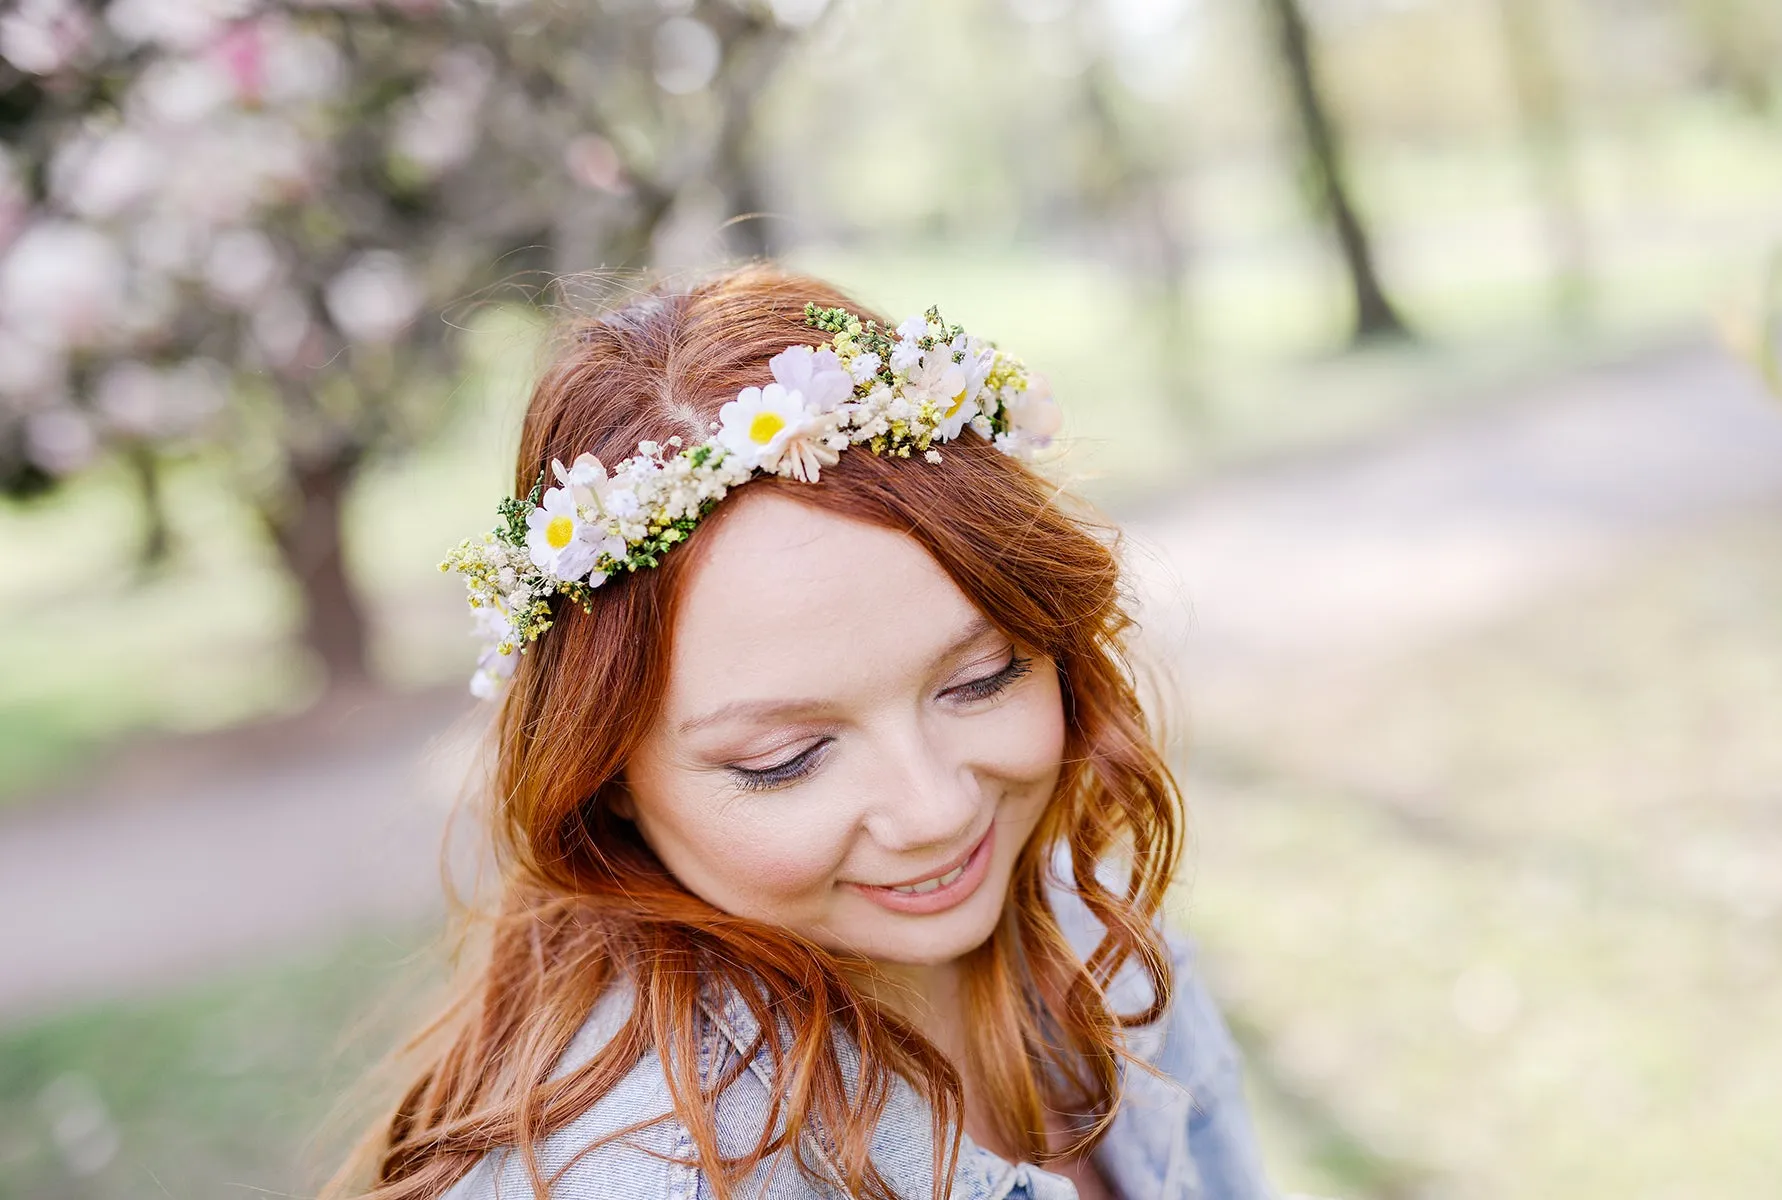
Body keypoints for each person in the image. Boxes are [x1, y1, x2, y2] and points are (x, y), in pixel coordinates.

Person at [331, 266, 1272, 1200]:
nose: (934, 809)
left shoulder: (1098, 939)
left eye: (983, 679)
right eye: (785, 760)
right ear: (608, 773)